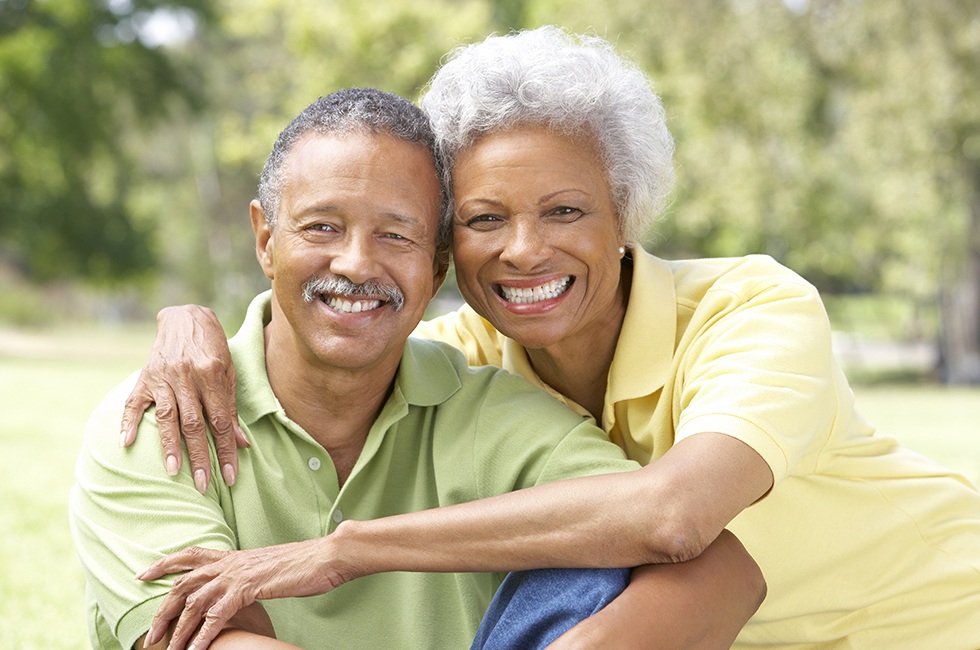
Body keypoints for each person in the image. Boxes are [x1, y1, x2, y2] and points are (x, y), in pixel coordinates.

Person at [123, 26, 980, 648]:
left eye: (565, 211)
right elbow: (332, 314)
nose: (524, 250)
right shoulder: (466, 357)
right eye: (486, 218)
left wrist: (342, 553)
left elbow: (672, 516)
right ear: (447, 238)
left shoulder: (751, 308)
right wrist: (188, 327)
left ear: (624, 218)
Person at [72, 88, 766, 650]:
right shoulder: (159, 419)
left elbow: (722, 570)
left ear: (435, 270)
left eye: (396, 234)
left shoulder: (493, 410)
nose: (355, 264)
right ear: (265, 239)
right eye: (321, 227)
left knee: (593, 570)